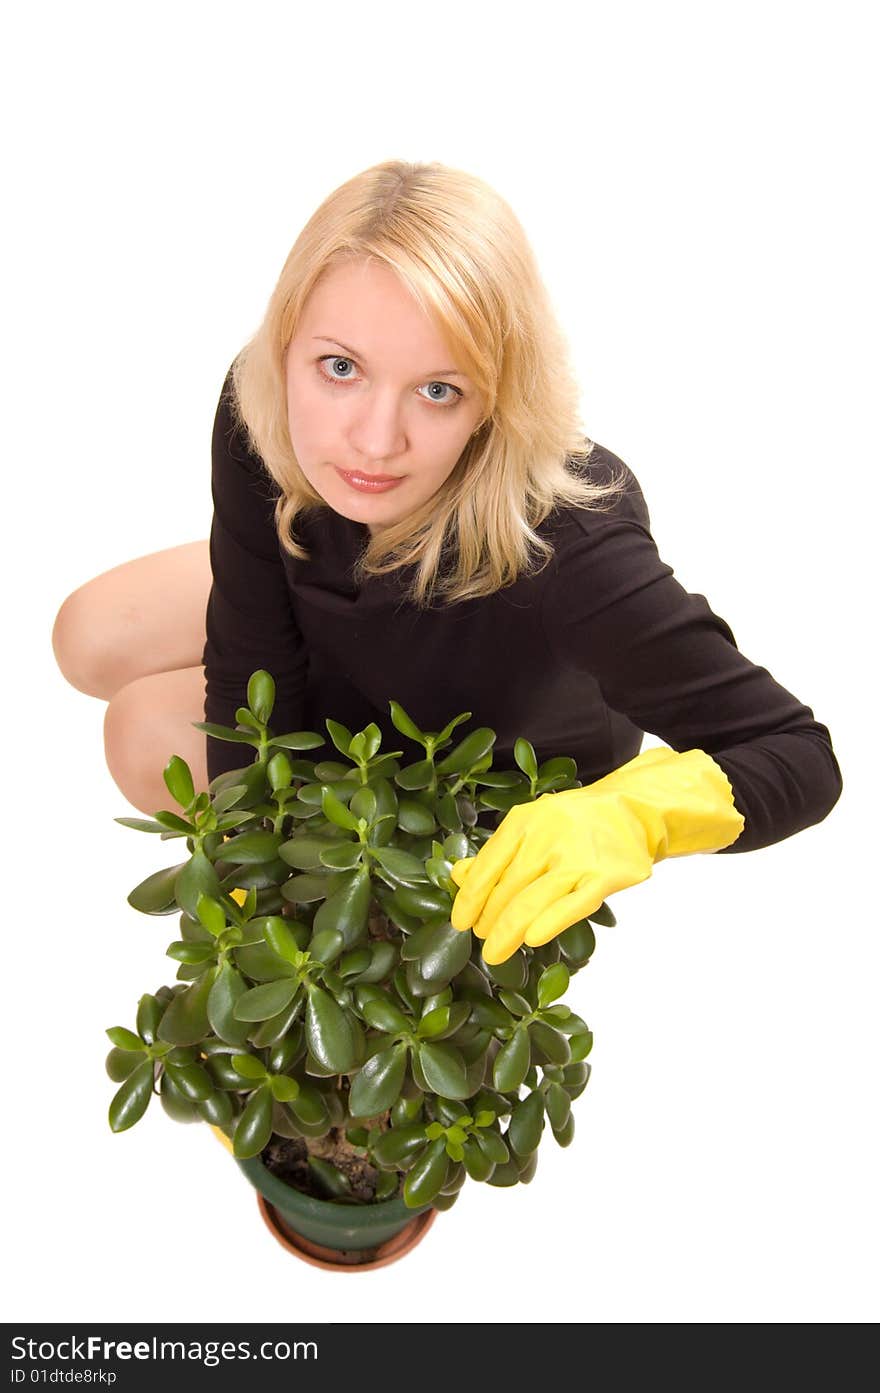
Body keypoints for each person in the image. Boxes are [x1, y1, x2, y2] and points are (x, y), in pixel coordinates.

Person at [51, 159, 842, 965]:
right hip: (350, 625)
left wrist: (629, 815)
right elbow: (251, 649)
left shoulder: (569, 542)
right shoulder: (262, 402)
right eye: (340, 367)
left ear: (496, 393)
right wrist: (249, 858)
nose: (373, 439)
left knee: (143, 731)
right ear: (287, 341)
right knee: (89, 631)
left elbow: (797, 752)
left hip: (476, 733)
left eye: (438, 391)